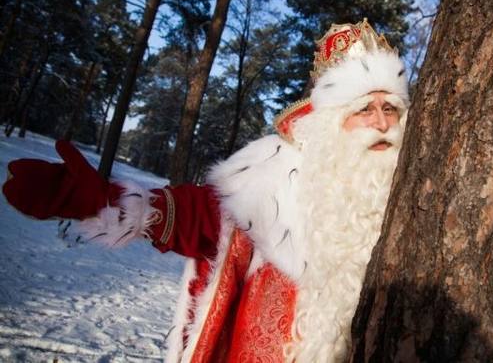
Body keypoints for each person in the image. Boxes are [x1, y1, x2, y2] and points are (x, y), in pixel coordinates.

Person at [3, 19, 410, 363]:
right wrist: (111, 204)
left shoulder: (411, 192)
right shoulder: (274, 173)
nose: (381, 123)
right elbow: (201, 214)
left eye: (390, 108)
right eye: (364, 109)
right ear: (330, 121)